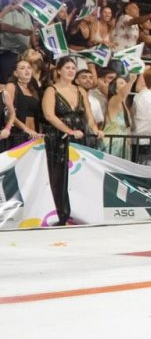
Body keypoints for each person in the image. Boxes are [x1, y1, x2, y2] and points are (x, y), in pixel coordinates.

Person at [42, 57, 104, 225]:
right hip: (58, 139)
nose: (70, 71)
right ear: (59, 71)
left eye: (73, 68)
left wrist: (95, 129)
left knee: (77, 176)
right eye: (67, 68)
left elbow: (89, 115)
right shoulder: (51, 90)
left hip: (79, 139)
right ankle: (59, 213)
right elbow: (49, 115)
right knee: (58, 176)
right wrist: (68, 131)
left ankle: (77, 212)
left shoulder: (80, 90)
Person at [3, 59, 43, 147]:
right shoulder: (11, 86)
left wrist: (37, 132)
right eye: (22, 68)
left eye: (29, 68)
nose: (27, 70)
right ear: (16, 73)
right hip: (17, 135)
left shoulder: (33, 89)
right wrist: (26, 129)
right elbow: (8, 112)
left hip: (34, 135)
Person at [0, 0, 35, 84]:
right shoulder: (9, 9)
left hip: (23, 55)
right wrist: (21, 31)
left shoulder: (27, 13)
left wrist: (35, 46)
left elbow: (30, 31)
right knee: (7, 83)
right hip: (9, 54)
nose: (23, 0)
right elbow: (2, 26)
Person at [102, 73, 137, 159]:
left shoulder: (125, 105)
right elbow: (122, 94)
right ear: (116, 90)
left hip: (123, 145)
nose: (125, 85)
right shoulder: (114, 99)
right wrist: (131, 81)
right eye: (121, 83)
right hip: (112, 144)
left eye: (125, 83)